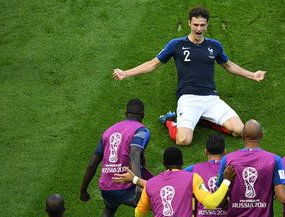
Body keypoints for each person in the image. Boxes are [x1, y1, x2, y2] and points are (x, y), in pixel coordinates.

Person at [113, 6, 266, 146]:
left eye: (202, 25)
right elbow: (152, 64)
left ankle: (203, 119)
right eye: (195, 25)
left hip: (211, 99)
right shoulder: (176, 44)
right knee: (183, 140)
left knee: (240, 130)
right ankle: (169, 121)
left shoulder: (214, 46)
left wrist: (252, 75)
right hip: (188, 99)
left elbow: (229, 66)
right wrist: (125, 73)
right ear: (189, 23)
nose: (199, 29)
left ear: (207, 25)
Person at [79, 98, 153, 217]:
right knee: (162, 204)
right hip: (128, 187)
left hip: (107, 188)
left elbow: (92, 164)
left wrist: (83, 190)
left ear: (126, 113)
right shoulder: (141, 130)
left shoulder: (108, 132)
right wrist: (138, 185)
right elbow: (134, 153)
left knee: (109, 207)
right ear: (143, 115)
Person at [134, 146, 236, 217]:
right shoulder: (192, 178)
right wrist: (226, 181)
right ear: (181, 162)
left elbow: (138, 215)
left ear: (163, 163)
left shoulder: (151, 184)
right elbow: (211, 203)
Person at [184, 134, 228, 217]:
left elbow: (174, 179)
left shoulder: (193, 169)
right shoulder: (231, 170)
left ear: (206, 151)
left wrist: (138, 181)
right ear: (225, 151)